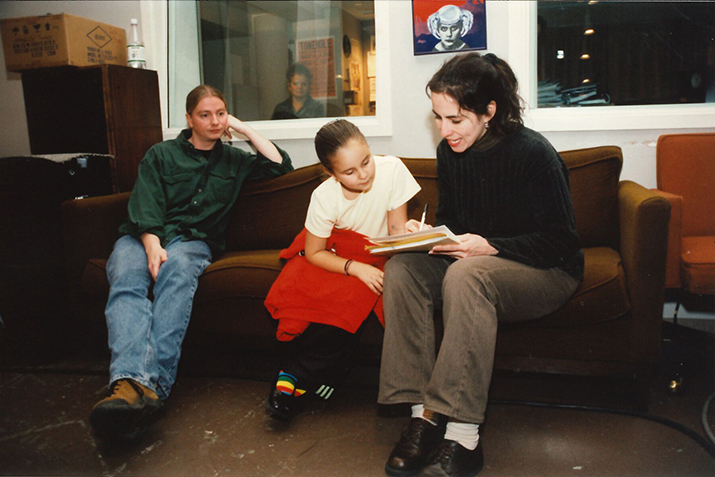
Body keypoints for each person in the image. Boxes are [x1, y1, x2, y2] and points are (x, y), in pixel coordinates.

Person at [379, 53, 584, 477]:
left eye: (455, 119)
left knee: (467, 275)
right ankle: (424, 418)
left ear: (489, 111)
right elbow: (456, 223)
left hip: (547, 271)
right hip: (479, 262)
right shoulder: (449, 152)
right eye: (438, 118)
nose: (444, 130)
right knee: (402, 269)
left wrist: (489, 246)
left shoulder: (535, 154)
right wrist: (426, 234)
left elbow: (561, 242)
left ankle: (464, 437)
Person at [89, 85, 294, 439]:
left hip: (192, 242)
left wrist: (241, 128)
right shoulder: (161, 154)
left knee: (178, 271)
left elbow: (279, 165)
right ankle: (131, 384)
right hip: (142, 235)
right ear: (189, 119)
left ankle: (146, 388)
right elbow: (145, 203)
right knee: (126, 277)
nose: (214, 121)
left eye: (220, 113)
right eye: (205, 114)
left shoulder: (235, 160)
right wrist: (152, 243)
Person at [264, 119, 421, 421]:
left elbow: (395, 233)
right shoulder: (324, 196)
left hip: (376, 253)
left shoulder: (392, 169)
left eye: (366, 161)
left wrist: (413, 233)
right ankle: (310, 375)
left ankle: (295, 375)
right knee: (308, 290)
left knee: (357, 295)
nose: (364, 174)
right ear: (330, 172)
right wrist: (355, 268)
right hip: (334, 255)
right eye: (349, 172)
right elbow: (314, 252)